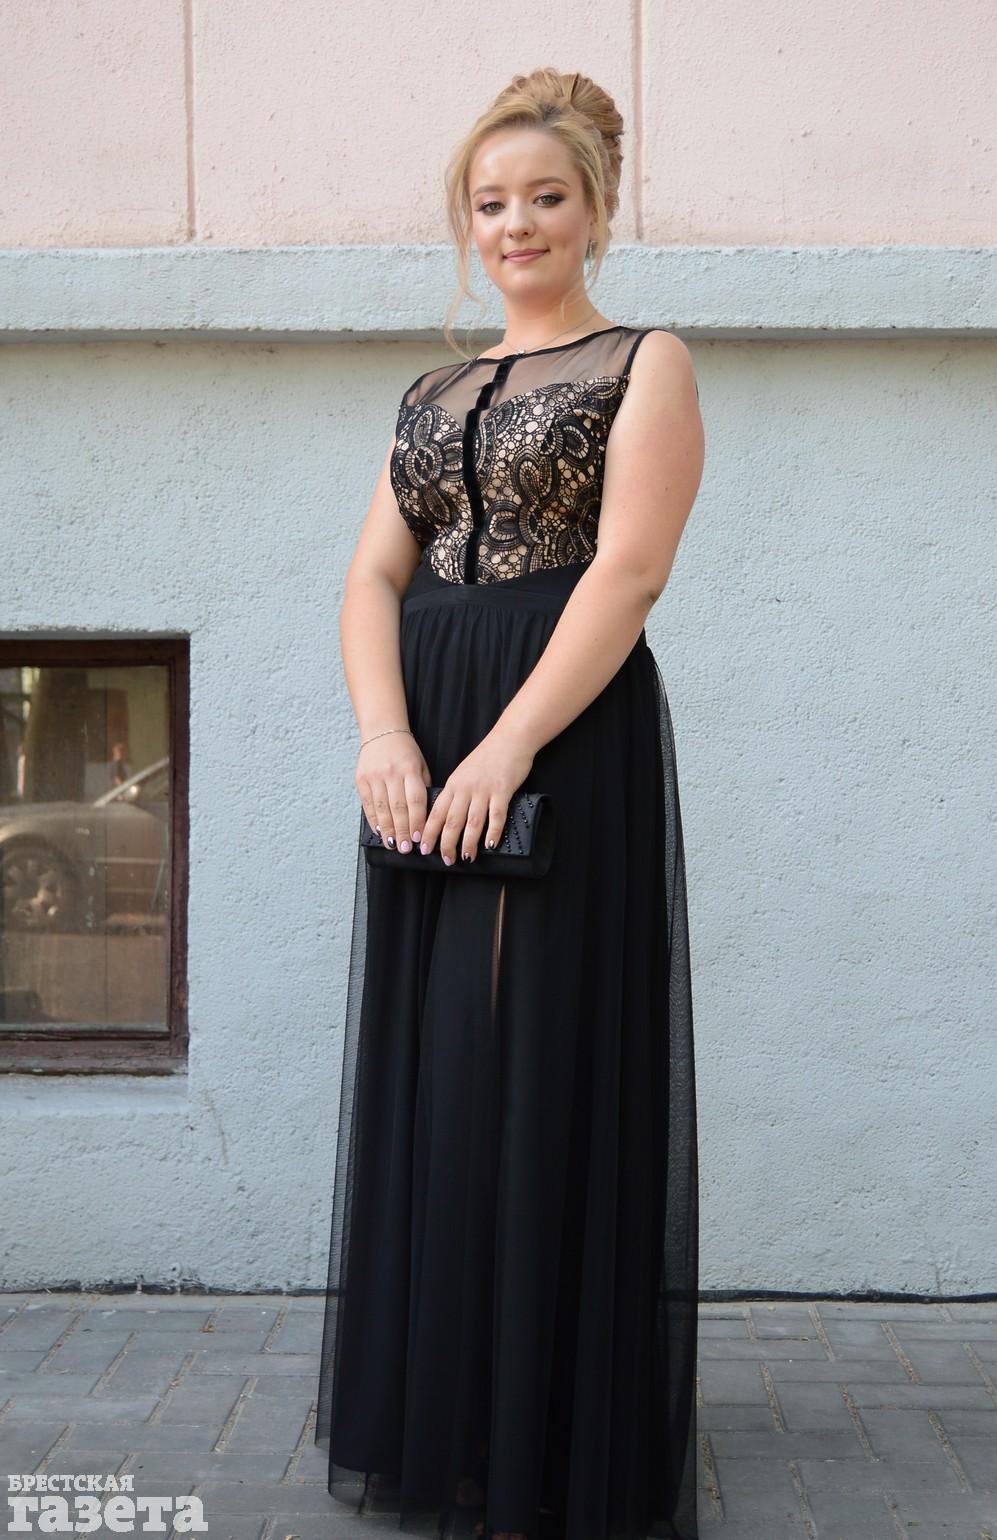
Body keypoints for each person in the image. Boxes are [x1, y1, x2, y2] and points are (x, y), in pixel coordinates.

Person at [315, 66, 705, 1540]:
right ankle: (448, 1412)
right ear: (465, 224)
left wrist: (506, 750)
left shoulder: (644, 361)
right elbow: (372, 576)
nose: (517, 223)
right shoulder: (431, 393)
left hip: (558, 734)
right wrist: (386, 735)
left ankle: (543, 1429)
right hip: (425, 742)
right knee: (439, 1064)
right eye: (491, 203)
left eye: (546, 196)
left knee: (528, 1055)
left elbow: (630, 572)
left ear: (595, 206)